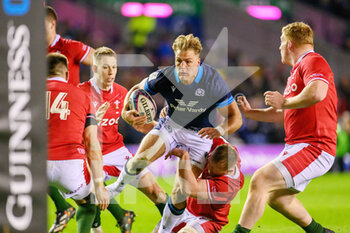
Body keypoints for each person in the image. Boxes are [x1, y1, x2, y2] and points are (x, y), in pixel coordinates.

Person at [107, 34, 242, 232]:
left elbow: (236, 118)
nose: (183, 66)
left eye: (188, 61)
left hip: (199, 138)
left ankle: (164, 230)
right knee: (139, 161)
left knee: (180, 193)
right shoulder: (165, 76)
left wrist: (219, 130)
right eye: (179, 60)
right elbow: (135, 91)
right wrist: (126, 113)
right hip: (171, 126)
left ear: (198, 61)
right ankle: (116, 189)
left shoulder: (213, 81)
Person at [233, 22, 337, 233]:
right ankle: (322, 232)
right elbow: (283, 112)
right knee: (276, 197)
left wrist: (285, 102)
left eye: (280, 42)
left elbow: (317, 93)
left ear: (289, 44)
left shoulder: (313, 61)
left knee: (260, 180)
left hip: (315, 146)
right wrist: (251, 112)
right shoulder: (298, 71)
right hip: (300, 146)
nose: (279, 47)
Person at [78, 47, 168, 232]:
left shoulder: (122, 92)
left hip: (117, 151)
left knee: (156, 192)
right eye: (105, 67)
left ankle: (172, 225)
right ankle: (97, 227)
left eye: (114, 67)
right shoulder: (81, 93)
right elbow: (71, 131)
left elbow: (130, 118)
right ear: (94, 68)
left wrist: (150, 123)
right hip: (90, 153)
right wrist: (92, 122)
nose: (111, 72)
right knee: (93, 189)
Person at [46, 53, 110, 233]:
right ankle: (95, 227)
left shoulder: (30, 93)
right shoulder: (81, 96)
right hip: (70, 166)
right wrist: (99, 185)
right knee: (89, 202)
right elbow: (91, 142)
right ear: (67, 74)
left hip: (36, 166)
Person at [45, 6, 96, 232]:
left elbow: (98, 59)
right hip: (71, 112)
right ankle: (101, 219)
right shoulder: (30, 48)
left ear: (52, 23)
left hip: (72, 115)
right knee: (89, 190)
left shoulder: (68, 46)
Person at [156, 137, 244, 233]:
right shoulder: (222, 147)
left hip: (207, 219)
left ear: (228, 171)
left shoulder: (227, 187)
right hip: (186, 209)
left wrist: (184, 157)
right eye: (209, 163)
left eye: (213, 169)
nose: (209, 169)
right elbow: (190, 135)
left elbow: (188, 189)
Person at [46, 6, 94, 86]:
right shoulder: (30, 49)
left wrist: (86, 91)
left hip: (68, 98)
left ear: (52, 24)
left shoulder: (70, 47)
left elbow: (101, 60)